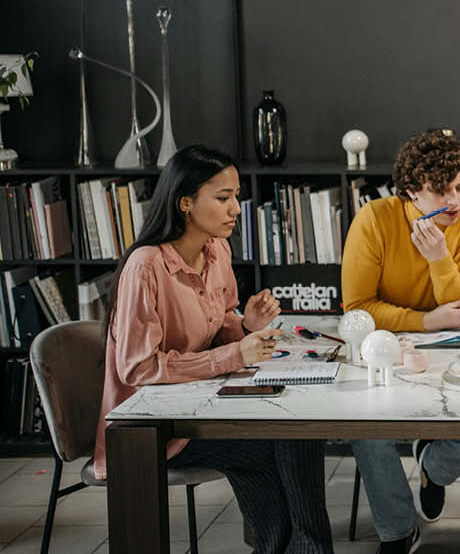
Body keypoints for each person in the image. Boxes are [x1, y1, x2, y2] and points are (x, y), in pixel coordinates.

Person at [94, 145, 333, 553]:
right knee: (278, 443)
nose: (235, 208)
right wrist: (236, 354)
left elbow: (220, 322)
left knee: (299, 427)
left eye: (235, 196)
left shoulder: (217, 250)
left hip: (202, 402)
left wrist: (245, 326)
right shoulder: (146, 266)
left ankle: (298, 549)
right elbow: (137, 369)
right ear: (185, 202)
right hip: (153, 427)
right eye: (222, 198)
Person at [341, 131, 460, 553]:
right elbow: (358, 308)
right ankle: (397, 530)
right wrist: (425, 321)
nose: (456, 201)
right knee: (365, 427)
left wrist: (439, 258)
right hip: (384, 346)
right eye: (441, 191)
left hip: (454, 343)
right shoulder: (375, 219)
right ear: (410, 191)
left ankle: (433, 467)